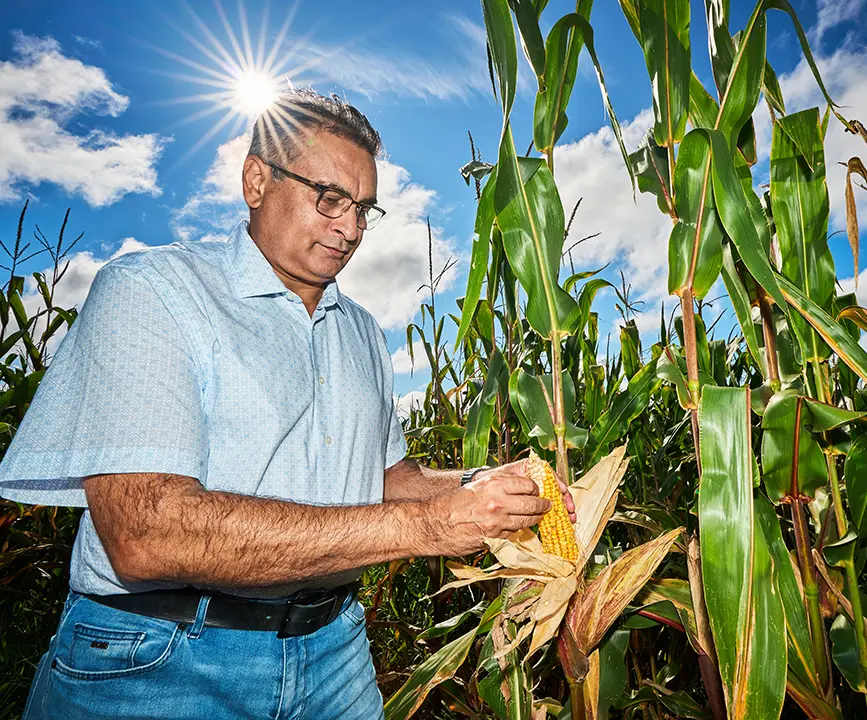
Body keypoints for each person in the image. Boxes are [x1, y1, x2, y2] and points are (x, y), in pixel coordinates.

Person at [0, 87, 575, 719]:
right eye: (329, 198)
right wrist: (430, 528)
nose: (351, 229)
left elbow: (387, 480)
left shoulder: (360, 330)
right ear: (255, 181)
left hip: (334, 650)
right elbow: (146, 533)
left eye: (364, 209)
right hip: (160, 657)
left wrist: (480, 485)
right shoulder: (152, 292)